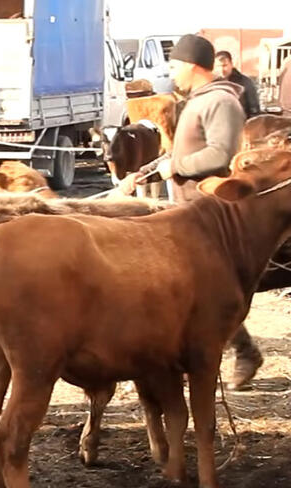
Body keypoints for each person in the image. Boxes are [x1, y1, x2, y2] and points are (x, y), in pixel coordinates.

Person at [121, 34, 261, 390]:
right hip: (189, 210)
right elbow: (181, 151)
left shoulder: (221, 103)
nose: (171, 73)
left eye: (174, 65)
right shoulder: (196, 101)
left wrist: (178, 166)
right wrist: (146, 172)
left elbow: (221, 153)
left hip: (210, 212)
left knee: (210, 290)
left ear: (193, 65)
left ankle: (243, 352)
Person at [214, 50, 260, 118]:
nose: (222, 70)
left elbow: (254, 109)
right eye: (218, 66)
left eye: (225, 65)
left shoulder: (245, 82)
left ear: (231, 64)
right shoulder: (212, 83)